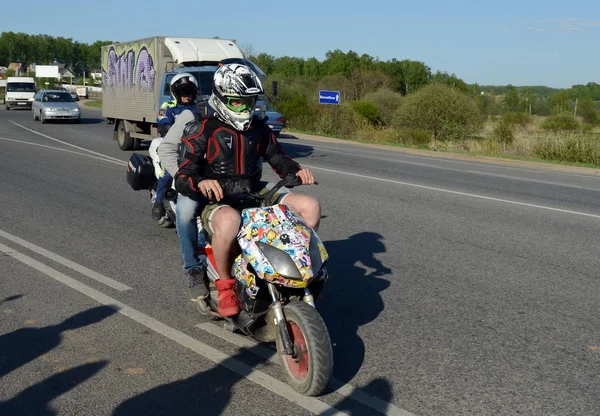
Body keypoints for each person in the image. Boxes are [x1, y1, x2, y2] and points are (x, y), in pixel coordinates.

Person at [174, 63, 320, 317]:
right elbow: (183, 173)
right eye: (236, 101)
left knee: (310, 206)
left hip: (253, 192)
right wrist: (201, 182)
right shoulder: (202, 127)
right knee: (229, 221)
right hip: (217, 198)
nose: (244, 107)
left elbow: (278, 158)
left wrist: (295, 171)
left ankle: (294, 264)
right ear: (220, 98)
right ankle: (225, 283)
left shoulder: (259, 129)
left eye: (249, 101)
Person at [152, 73, 200, 221]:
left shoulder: (199, 107)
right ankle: (158, 202)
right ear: (176, 93)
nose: (187, 96)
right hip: (173, 147)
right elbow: (164, 124)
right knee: (167, 174)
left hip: (195, 146)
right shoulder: (168, 107)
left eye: (189, 93)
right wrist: (168, 128)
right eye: (183, 93)